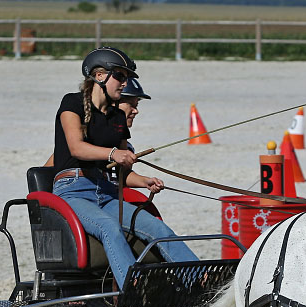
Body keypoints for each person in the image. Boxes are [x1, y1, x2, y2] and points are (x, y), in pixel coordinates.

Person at [52, 46, 197, 288]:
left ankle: (199, 280)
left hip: (106, 192)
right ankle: (134, 288)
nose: (124, 82)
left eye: (126, 77)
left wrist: (144, 181)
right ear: (99, 76)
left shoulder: (117, 117)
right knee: (110, 228)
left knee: (156, 227)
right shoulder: (72, 102)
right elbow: (76, 148)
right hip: (73, 190)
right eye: (120, 76)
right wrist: (113, 153)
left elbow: (122, 172)